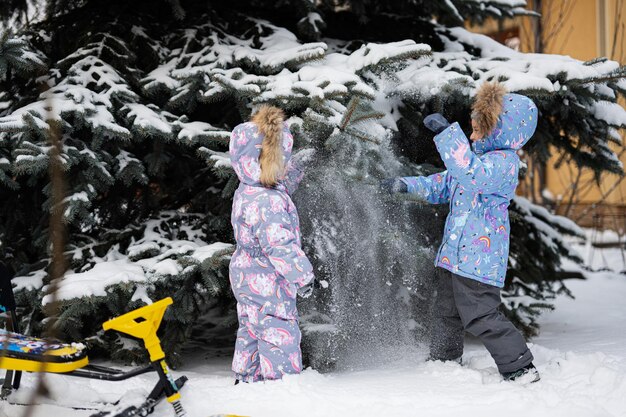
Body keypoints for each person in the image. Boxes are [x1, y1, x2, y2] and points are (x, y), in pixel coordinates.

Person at [381, 82, 540, 382]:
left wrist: (446, 133)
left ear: (498, 132)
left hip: (479, 261)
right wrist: (406, 185)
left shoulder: (503, 164)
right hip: (454, 258)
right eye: (472, 129)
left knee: (481, 315)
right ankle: (444, 361)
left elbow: (471, 174)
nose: (471, 135)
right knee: (445, 312)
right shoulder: (474, 161)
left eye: (478, 130)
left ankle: (519, 366)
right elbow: (442, 184)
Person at [228, 105, 315, 383]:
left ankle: (246, 380)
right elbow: (280, 246)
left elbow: (280, 183)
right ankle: (281, 390)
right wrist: (303, 276)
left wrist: (300, 164)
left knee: (251, 330)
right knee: (279, 333)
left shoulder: (248, 188)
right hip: (270, 281)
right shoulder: (269, 200)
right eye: (283, 159)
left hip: (245, 275)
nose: (285, 165)